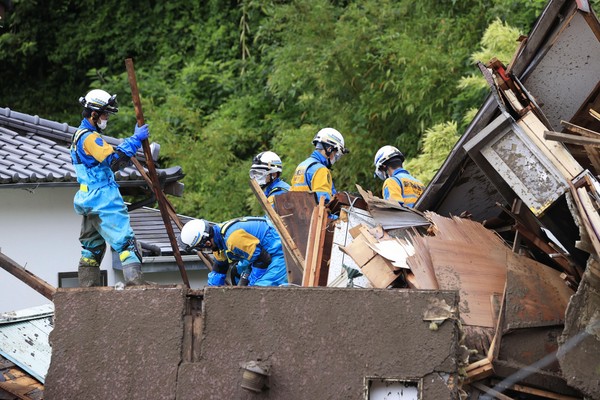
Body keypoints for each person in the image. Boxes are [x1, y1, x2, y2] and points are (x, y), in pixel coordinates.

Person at [70, 89, 150, 287]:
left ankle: (87, 290)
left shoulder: (78, 135)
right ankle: (136, 286)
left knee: (92, 248)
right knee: (127, 244)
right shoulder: (89, 138)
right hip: (103, 197)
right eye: (105, 114)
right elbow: (114, 161)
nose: (107, 118)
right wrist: (135, 140)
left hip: (87, 197)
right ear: (94, 114)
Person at [179, 217, 288, 287]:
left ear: (206, 243)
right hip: (259, 253)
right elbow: (219, 269)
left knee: (260, 289)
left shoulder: (232, 239)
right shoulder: (217, 241)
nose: (204, 250)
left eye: (201, 248)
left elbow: (263, 259)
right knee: (236, 272)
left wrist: (251, 286)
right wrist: (210, 293)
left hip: (279, 249)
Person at [290, 128, 349, 205]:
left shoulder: (302, 165)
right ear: (329, 149)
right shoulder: (321, 170)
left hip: (299, 213)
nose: (335, 158)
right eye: (336, 154)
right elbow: (323, 202)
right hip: (312, 215)